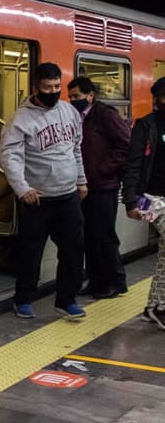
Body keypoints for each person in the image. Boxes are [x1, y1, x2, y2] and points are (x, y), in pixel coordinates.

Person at [0, 62, 88, 320]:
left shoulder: (70, 112)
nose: (53, 91)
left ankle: (66, 299)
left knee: (74, 249)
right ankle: (24, 298)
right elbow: (10, 156)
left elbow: (75, 149)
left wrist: (81, 180)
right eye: (47, 87)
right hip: (38, 199)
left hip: (68, 195)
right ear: (36, 87)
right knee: (30, 252)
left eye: (57, 86)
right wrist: (22, 188)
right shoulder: (20, 119)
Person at [67, 76, 131, 299]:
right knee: (89, 235)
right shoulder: (78, 118)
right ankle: (96, 280)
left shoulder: (105, 115)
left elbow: (126, 143)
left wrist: (104, 168)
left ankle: (115, 281)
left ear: (90, 95)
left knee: (104, 235)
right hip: (86, 185)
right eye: (71, 96)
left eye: (77, 96)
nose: (73, 100)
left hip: (104, 185)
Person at [122, 76, 165, 329]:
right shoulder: (146, 126)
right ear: (157, 100)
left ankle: (155, 304)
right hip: (150, 198)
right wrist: (130, 201)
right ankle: (158, 306)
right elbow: (133, 164)